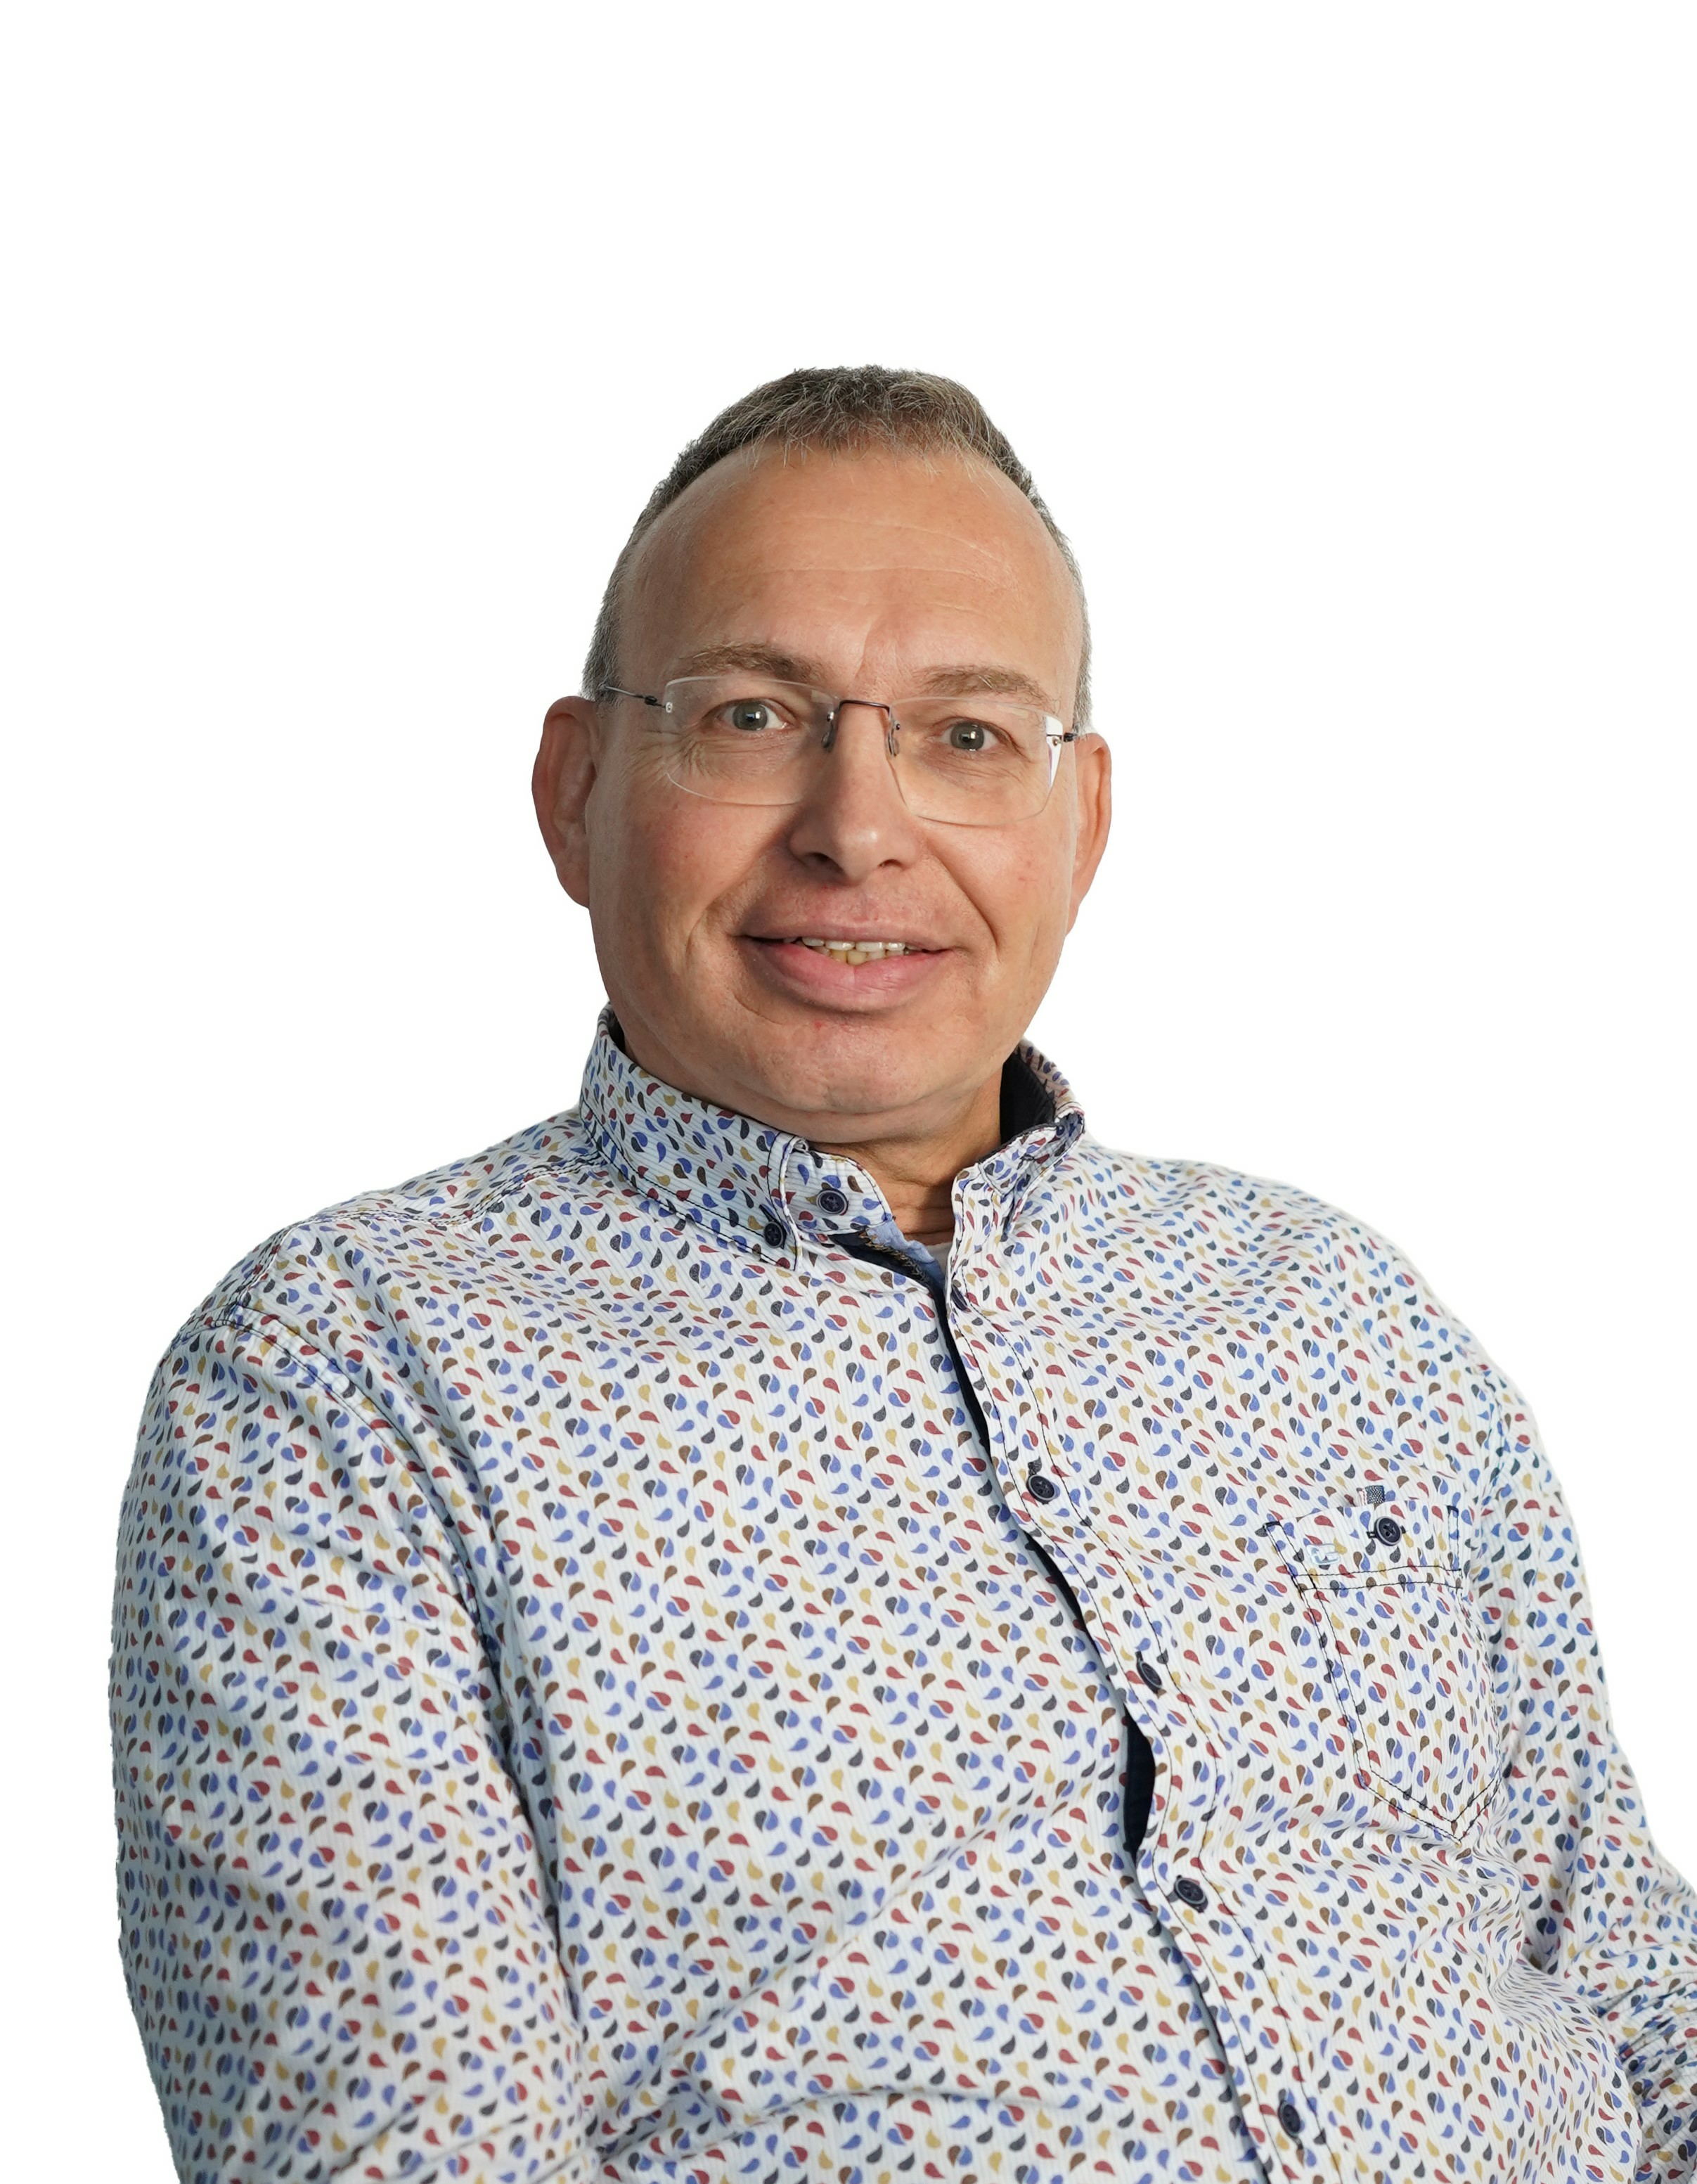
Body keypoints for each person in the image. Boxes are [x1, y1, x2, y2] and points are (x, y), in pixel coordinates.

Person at [112, 365, 1696, 2184]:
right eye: (752, 716)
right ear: (573, 789)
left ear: (1081, 824)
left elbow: (1624, 1975)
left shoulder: (1335, 1311)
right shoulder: (342, 1379)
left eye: (966, 737)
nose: (857, 826)